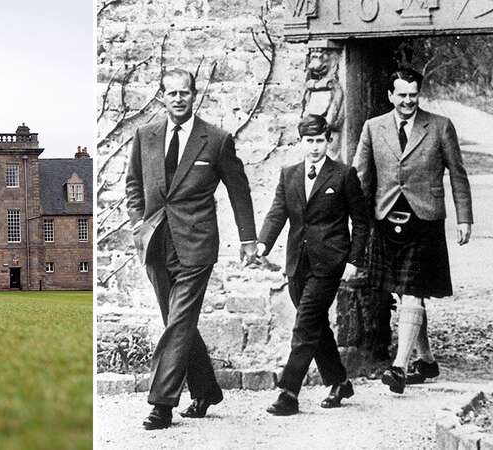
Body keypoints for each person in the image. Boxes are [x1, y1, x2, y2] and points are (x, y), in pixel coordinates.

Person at [125, 68, 258, 430]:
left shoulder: (215, 139)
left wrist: (248, 239)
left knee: (179, 321)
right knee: (177, 322)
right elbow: (134, 184)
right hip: (155, 243)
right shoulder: (145, 135)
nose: (179, 98)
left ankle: (161, 404)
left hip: (197, 244)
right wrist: (139, 223)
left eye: (185, 93)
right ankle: (206, 389)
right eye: (172, 93)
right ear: (162, 97)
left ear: (194, 95)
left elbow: (238, 190)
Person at [352, 68, 473, 394]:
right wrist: (354, 221)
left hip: (425, 220)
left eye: (413, 95)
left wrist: (465, 218)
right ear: (390, 95)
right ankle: (427, 359)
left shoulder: (439, 126)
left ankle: (399, 368)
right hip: (386, 218)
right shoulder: (372, 128)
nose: (407, 101)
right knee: (406, 292)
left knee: (412, 289)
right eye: (401, 95)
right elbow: (359, 177)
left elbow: (458, 174)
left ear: (419, 94)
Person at [257, 114, 369, 415]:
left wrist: (353, 260)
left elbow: (360, 221)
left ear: (328, 141)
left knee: (305, 324)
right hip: (297, 262)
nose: (316, 147)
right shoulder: (289, 173)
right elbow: (277, 213)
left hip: (329, 262)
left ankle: (288, 392)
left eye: (320, 140)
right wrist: (262, 244)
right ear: (301, 142)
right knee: (316, 324)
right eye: (310, 141)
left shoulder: (343, 175)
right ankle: (339, 381)